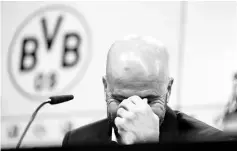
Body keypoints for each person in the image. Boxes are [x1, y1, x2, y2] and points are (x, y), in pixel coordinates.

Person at [62, 36, 234, 146]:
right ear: (105, 87)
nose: (133, 111)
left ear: (168, 89)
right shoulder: (76, 141)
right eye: (120, 99)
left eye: (149, 101)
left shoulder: (212, 142)